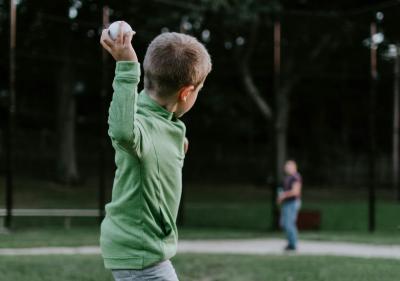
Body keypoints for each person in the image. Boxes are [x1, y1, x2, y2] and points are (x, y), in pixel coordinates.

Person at [99, 22, 212, 281]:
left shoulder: (163, 122)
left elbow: (157, 121)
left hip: (146, 251)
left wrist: (176, 144)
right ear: (186, 92)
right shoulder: (138, 122)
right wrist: (127, 67)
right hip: (140, 253)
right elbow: (123, 132)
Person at [277, 160, 302, 251]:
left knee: (289, 224)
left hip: (292, 203)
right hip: (287, 203)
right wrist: (281, 197)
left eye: (289, 167)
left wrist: (284, 195)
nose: (287, 168)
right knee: (284, 223)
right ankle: (290, 243)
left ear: (294, 167)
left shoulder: (296, 177)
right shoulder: (288, 178)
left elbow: (296, 192)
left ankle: (293, 244)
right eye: (286, 167)